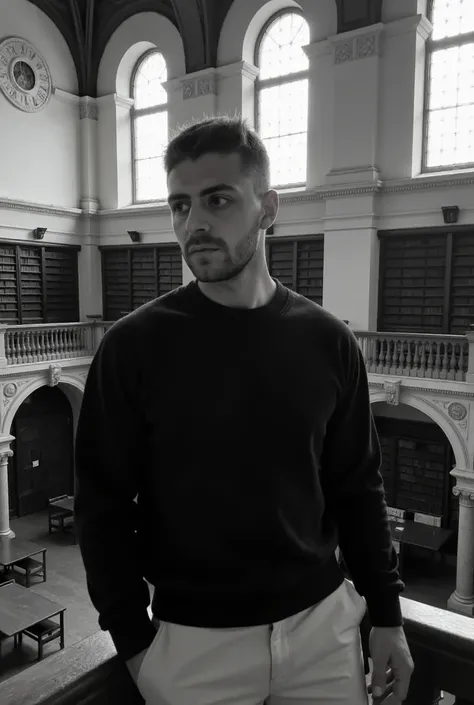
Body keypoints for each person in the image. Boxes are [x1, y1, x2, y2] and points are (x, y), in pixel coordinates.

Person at [74, 116, 414, 705]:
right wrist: (134, 643)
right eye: (180, 205)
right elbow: (101, 507)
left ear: (268, 207)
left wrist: (386, 613)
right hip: (194, 644)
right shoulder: (133, 348)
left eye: (219, 199)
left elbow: (357, 487)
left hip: (324, 631)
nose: (195, 223)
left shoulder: (329, 340)